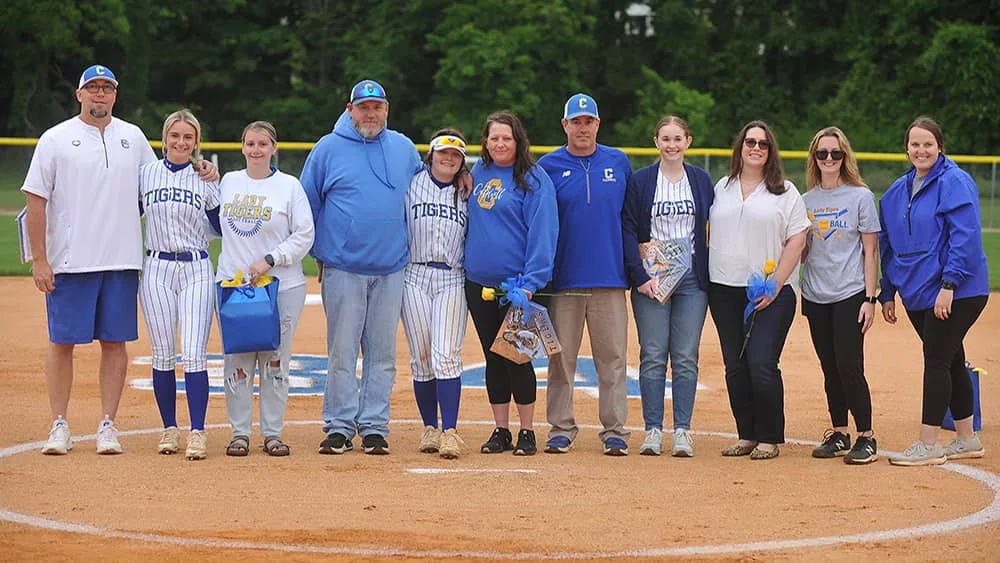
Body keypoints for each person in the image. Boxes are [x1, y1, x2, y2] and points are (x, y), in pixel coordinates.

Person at [22, 64, 215, 456]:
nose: (99, 94)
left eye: (106, 88)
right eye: (92, 87)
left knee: (115, 344)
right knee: (62, 343)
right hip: (71, 261)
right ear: (79, 94)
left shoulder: (133, 138)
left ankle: (107, 423)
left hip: (122, 261)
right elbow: (35, 200)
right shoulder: (55, 139)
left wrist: (202, 166)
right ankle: (59, 422)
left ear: (115, 94)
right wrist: (40, 259)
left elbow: (165, 174)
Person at [301, 80, 421, 456]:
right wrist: (321, 252)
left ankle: (373, 425)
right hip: (343, 268)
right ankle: (338, 425)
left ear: (387, 108)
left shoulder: (403, 148)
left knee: (382, 353)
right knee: (342, 351)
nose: (371, 114)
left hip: (391, 267)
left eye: (378, 107)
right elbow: (307, 205)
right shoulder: (328, 148)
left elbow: (429, 187)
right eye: (364, 107)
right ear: (349, 108)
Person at [879, 116, 990, 466]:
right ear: (907, 148)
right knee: (952, 358)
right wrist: (887, 290)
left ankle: (929, 443)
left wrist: (950, 284)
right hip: (918, 291)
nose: (921, 150)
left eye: (928, 143)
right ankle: (967, 438)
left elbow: (965, 237)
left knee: (937, 360)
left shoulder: (954, 181)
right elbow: (889, 243)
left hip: (958, 290)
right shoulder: (898, 191)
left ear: (940, 146)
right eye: (915, 144)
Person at [708, 120, 810, 460]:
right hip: (723, 288)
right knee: (735, 366)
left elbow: (798, 238)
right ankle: (746, 434)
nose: (755, 147)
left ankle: (770, 437)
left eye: (763, 144)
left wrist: (777, 282)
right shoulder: (722, 186)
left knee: (762, 362)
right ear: (740, 147)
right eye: (749, 141)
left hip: (770, 291)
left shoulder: (784, 190)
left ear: (771, 152)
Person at [537, 94, 632, 456]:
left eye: (587, 121)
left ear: (597, 124)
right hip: (564, 281)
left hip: (610, 277)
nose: (582, 127)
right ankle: (561, 427)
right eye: (575, 121)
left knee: (613, 359)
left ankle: (615, 430)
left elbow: (629, 220)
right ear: (564, 125)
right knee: (561, 359)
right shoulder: (548, 165)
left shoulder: (618, 162)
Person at [217, 121, 314, 457]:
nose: (256, 150)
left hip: (280, 286)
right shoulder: (228, 181)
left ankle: (273, 432)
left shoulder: (289, 186)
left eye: (263, 144)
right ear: (242, 147)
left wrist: (270, 259)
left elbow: (304, 235)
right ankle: (239, 432)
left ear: (274, 147)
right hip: (235, 286)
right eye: (250, 144)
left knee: (275, 361)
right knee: (238, 359)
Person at [465, 110, 558, 456]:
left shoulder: (534, 179)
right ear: (485, 143)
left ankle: (528, 431)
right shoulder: (477, 172)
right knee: (493, 358)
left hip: (518, 287)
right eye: (494, 138)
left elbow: (544, 234)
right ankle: (500, 429)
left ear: (518, 140)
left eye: (507, 137)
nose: (500, 143)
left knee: (518, 358)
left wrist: (531, 283)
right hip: (479, 283)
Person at [622, 115, 714, 457]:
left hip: (691, 278)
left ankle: (683, 431)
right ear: (656, 142)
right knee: (653, 355)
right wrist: (639, 276)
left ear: (688, 141)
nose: (672, 145)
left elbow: (713, 226)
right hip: (653, 277)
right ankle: (653, 430)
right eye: (665, 139)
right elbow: (629, 228)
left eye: (678, 138)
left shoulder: (701, 180)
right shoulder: (642, 181)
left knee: (686, 356)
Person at [139, 109, 221, 460]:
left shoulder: (205, 178)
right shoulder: (145, 175)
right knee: (161, 352)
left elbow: (220, 227)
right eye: (175, 136)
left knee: (194, 353)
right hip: (156, 266)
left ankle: (198, 431)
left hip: (196, 267)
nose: (181, 142)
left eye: (188, 137)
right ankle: (169, 428)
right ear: (164, 139)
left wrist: (213, 179)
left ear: (196, 142)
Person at [800, 127, 881, 465]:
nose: (829, 159)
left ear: (845, 156)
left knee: (849, 364)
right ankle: (839, 432)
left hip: (849, 292)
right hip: (815, 294)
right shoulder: (806, 201)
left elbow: (871, 249)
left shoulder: (860, 196)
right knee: (829, 367)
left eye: (835, 153)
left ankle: (866, 436)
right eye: (823, 154)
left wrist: (870, 298)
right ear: (814, 159)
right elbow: (802, 252)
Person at [401, 128, 470, 459]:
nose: (449, 158)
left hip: (452, 277)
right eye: (443, 152)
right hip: (414, 273)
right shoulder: (411, 183)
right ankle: (430, 426)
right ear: (431, 154)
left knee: (447, 355)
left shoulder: (467, 191)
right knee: (422, 356)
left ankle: (450, 431)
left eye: (456, 155)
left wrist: (468, 176)